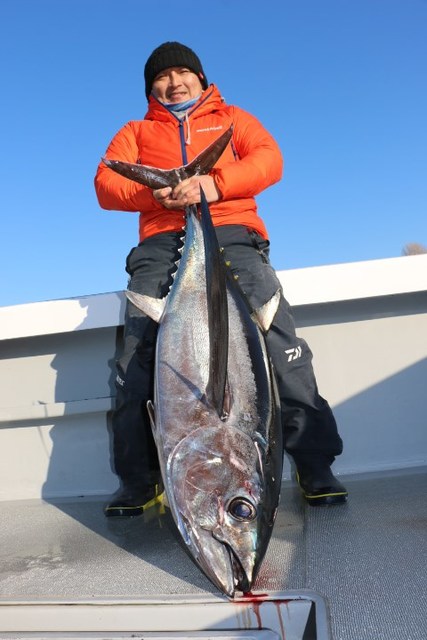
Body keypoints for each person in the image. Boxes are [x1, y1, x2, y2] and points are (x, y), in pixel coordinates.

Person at [94, 41, 348, 517]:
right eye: (162, 79)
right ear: (151, 89)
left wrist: (213, 184)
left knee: (281, 346)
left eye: (182, 74)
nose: (174, 83)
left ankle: (315, 464)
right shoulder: (135, 131)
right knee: (136, 362)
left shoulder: (234, 119)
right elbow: (106, 185)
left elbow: (269, 159)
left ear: (201, 78)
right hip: (161, 243)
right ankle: (141, 479)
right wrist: (160, 194)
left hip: (232, 234)